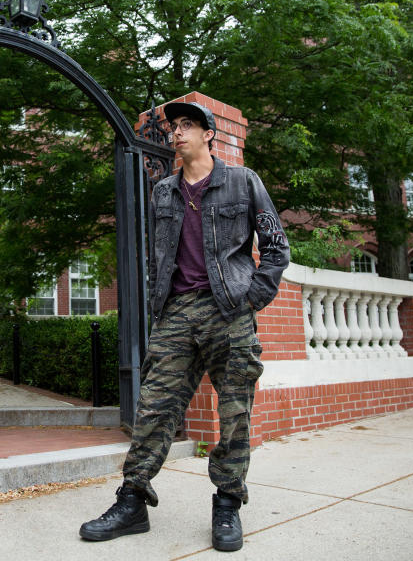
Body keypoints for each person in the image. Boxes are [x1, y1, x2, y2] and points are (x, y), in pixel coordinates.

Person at [79, 101, 289, 551]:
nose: (176, 133)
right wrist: (160, 301)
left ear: (209, 134)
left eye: (187, 125)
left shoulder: (242, 182)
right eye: (173, 126)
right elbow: (160, 255)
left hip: (228, 311)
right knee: (153, 407)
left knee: (234, 413)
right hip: (177, 313)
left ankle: (228, 503)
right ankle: (132, 499)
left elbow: (276, 248)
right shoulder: (164, 192)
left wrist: (252, 298)